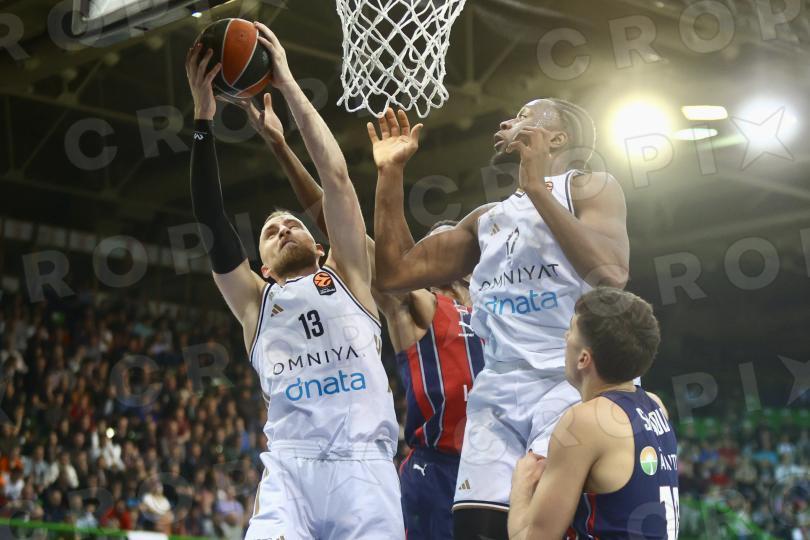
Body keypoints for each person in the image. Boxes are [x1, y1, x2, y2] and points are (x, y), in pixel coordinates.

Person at [226, 94, 484, 539]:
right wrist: (283, 148)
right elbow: (336, 212)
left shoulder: (494, 312)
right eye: (440, 243)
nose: (448, 247)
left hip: (495, 460)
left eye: (457, 243)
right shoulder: (416, 301)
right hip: (436, 467)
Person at [372, 100, 630, 539]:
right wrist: (391, 173)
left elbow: (611, 274)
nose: (511, 120)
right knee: (476, 528)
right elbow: (395, 274)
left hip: (570, 382)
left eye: (528, 115)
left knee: (546, 526)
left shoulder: (590, 187)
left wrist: (537, 189)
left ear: (558, 138)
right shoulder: (486, 220)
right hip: (498, 390)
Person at [185, 22, 403, 539]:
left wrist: (285, 82)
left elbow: (336, 179)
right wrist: (202, 118)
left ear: (320, 246)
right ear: (262, 266)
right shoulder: (255, 302)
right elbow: (211, 219)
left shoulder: (350, 274)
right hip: (290, 471)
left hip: (364, 467)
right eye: (270, 232)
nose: (284, 228)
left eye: (293, 224)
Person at [507, 287, 678, 539]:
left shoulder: (586, 421)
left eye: (571, 330)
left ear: (583, 359)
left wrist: (521, 486)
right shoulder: (656, 406)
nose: (566, 336)